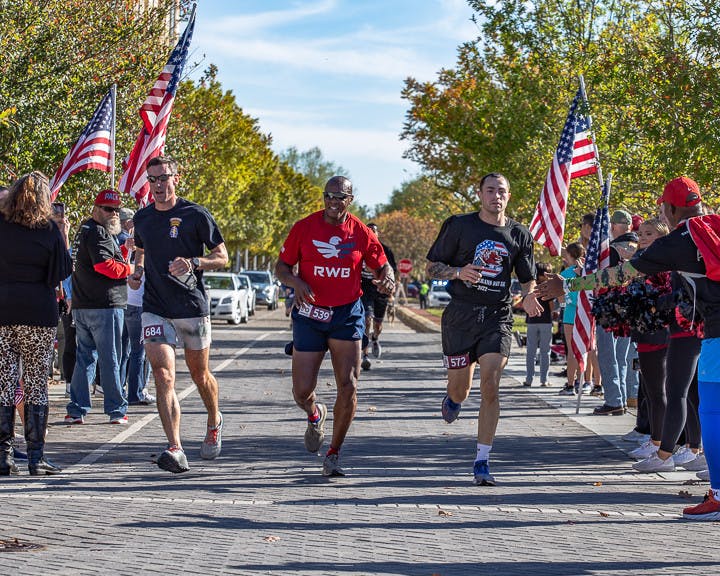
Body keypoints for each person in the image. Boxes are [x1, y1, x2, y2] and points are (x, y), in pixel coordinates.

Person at [535, 176, 720, 520]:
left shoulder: (679, 240)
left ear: (668, 209)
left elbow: (618, 275)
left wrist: (568, 283)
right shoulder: (716, 225)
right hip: (705, 333)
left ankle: (719, 496)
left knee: (711, 412)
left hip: (714, 336)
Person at [426, 172, 542, 486]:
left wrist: (530, 295)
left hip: (497, 317)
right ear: (480, 194)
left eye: (501, 191)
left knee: (490, 383)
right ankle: (453, 400)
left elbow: (527, 276)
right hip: (460, 317)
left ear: (509, 195)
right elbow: (431, 267)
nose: (496, 196)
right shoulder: (459, 226)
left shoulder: (519, 233)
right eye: (490, 190)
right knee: (459, 390)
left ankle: (482, 460)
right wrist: (457, 271)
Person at [275, 175, 395, 477]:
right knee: (302, 391)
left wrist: (388, 279)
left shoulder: (361, 232)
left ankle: (334, 453)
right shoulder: (304, 227)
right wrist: (296, 281)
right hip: (310, 313)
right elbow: (282, 267)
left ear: (350, 200)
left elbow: (382, 264)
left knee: (349, 384)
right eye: (328, 195)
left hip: (346, 314)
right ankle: (315, 415)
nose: (332, 202)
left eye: (340, 197)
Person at [128, 156, 228, 474]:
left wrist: (194, 262)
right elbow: (141, 248)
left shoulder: (195, 214)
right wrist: (137, 270)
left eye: (163, 178)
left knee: (200, 376)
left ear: (176, 178)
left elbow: (222, 256)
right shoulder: (143, 219)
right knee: (163, 375)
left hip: (191, 309)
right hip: (156, 308)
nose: (158, 185)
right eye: (152, 179)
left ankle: (214, 419)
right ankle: (176, 447)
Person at [0, 171, 72, 475]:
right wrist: (64, 234)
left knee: (3, 382)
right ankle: (35, 457)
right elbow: (61, 271)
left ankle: (3, 456)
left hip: (3, 310)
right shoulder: (48, 231)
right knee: (35, 385)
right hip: (38, 313)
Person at [65, 190, 131, 425]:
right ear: (96, 208)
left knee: (85, 357)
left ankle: (77, 409)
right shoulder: (97, 232)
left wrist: (123, 252)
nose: (113, 213)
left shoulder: (85, 230)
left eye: (115, 209)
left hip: (84, 305)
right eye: (107, 208)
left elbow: (104, 259)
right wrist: (130, 270)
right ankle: (116, 409)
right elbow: (105, 266)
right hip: (104, 305)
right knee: (110, 357)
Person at [591, 209, 638, 415]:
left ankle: (614, 399)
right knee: (624, 357)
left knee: (610, 356)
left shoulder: (610, 250)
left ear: (614, 226)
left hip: (611, 307)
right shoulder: (640, 247)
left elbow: (604, 277)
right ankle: (629, 395)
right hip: (634, 308)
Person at [120, 209, 154, 406]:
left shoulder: (129, 248)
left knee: (125, 351)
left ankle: (122, 390)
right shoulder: (137, 250)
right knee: (138, 352)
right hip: (138, 305)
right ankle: (135, 392)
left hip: (127, 303)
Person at [360, 221, 397, 371]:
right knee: (367, 319)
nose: (372, 233)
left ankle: (375, 339)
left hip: (380, 289)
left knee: (378, 324)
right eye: (369, 231)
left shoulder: (386, 250)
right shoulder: (359, 248)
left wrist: (391, 294)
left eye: (374, 231)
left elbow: (393, 273)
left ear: (378, 234)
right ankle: (365, 355)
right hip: (364, 288)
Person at [523, 262, 554, 388]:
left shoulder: (531, 287)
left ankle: (529, 378)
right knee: (545, 351)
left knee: (530, 351)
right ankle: (544, 379)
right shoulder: (548, 287)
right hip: (546, 321)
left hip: (532, 321)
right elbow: (551, 306)